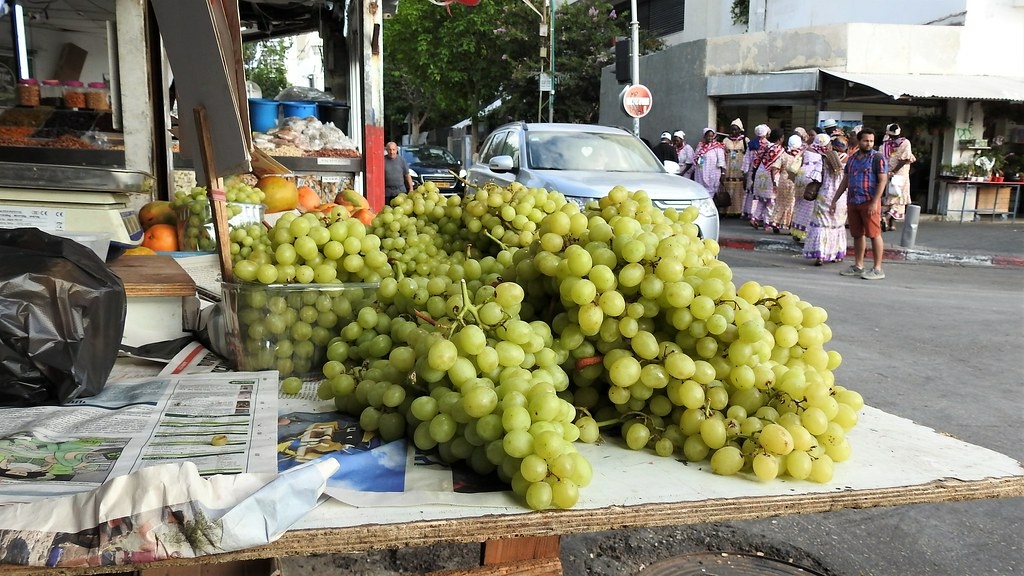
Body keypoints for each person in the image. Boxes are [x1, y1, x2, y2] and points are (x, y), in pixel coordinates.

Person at [831, 127, 888, 280]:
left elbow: (883, 181)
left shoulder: (878, 158)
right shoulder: (853, 158)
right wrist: (835, 200)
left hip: (869, 201)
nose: (869, 144)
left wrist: (875, 203)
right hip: (853, 200)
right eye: (866, 141)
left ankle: (877, 268)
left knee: (874, 234)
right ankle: (859, 265)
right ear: (859, 141)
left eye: (871, 141)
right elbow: (845, 180)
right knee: (857, 234)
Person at [803, 134, 849, 265]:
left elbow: (815, 177)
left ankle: (820, 255)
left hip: (824, 196)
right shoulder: (849, 161)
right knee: (837, 226)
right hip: (841, 198)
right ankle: (836, 254)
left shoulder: (824, 159)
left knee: (821, 226)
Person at [879, 122, 916, 231]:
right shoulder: (903, 143)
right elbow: (905, 159)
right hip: (897, 174)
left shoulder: (887, 143)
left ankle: (889, 221)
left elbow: (904, 159)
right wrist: (893, 171)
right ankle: (888, 219)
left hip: (893, 173)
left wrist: (892, 171)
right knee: (897, 197)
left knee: (892, 196)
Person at [768, 133, 804, 234]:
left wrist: (774, 182)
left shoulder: (783, 155)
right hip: (795, 182)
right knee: (792, 204)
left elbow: (774, 169)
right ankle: (790, 225)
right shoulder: (801, 156)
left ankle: (775, 222)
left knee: (780, 202)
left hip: (783, 181)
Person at [748, 127, 784, 229]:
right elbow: (777, 165)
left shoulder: (764, 146)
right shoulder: (779, 149)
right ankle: (766, 223)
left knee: (761, 200)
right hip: (770, 174)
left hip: (760, 172)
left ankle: (754, 218)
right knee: (770, 201)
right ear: (780, 138)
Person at [691, 127, 726, 204]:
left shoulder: (717, 147)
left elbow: (721, 161)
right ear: (704, 136)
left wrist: (723, 173)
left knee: (711, 191)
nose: (710, 138)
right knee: (701, 191)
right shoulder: (700, 146)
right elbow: (695, 159)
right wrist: (692, 171)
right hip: (700, 173)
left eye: (711, 136)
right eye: (708, 136)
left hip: (713, 173)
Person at [741, 124, 769, 219]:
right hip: (764, 172)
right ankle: (759, 215)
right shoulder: (768, 145)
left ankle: (749, 212)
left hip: (752, 171)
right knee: (761, 192)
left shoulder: (751, 144)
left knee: (750, 191)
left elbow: (747, 159)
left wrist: (745, 171)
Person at [722, 119, 748, 216]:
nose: (733, 132)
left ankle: (737, 210)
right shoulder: (725, 140)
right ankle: (726, 211)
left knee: (739, 189)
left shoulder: (745, 140)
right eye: (732, 129)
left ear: (740, 130)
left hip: (739, 168)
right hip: (728, 167)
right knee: (728, 187)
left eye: (735, 130)